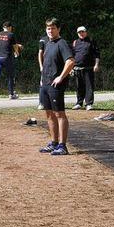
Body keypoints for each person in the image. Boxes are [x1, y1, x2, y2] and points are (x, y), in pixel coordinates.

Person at [38, 18, 75, 156]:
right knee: (49, 114)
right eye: (48, 28)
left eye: (53, 28)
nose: (50, 31)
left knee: (59, 114)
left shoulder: (62, 43)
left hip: (55, 85)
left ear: (58, 29)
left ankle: (62, 146)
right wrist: (42, 79)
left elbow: (71, 61)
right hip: (45, 84)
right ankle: (53, 143)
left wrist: (61, 77)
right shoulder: (48, 43)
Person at [0, 21, 20, 101]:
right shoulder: (11, 34)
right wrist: (17, 52)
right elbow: (14, 46)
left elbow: (5, 43)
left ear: (3, 27)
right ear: (9, 27)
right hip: (7, 58)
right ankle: (11, 94)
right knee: (10, 76)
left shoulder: (0, 34)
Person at [71, 26, 100, 111]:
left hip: (89, 68)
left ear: (86, 32)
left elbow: (97, 54)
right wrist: (71, 68)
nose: (81, 34)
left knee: (89, 86)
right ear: (77, 34)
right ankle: (79, 103)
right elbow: (72, 56)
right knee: (79, 87)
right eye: (79, 32)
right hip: (77, 68)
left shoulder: (91, 41)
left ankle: (89, 104)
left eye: (82, 32)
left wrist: (96, 65)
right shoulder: (75, 42)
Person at [37, 34, 48, 110]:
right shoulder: (43, 40)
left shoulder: (59, 41)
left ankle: (51, 103)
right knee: (42, 84)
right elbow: (40, 53)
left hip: (54, 67)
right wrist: (41, 66)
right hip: (45, 66)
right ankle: (41, 103)